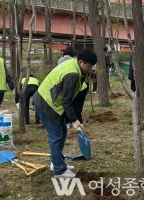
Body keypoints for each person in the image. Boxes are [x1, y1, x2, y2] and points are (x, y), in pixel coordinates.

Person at [33, 49, 97, 178]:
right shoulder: (72, 74)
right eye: (88, 66)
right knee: (56, 136)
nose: (90, 69)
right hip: (46, 103)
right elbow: (66, 101)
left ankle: (56, 162)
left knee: (62, 132)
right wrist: (73, 120)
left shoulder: (73, 65)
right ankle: (59, 170)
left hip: (51, 101)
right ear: (81, 62)